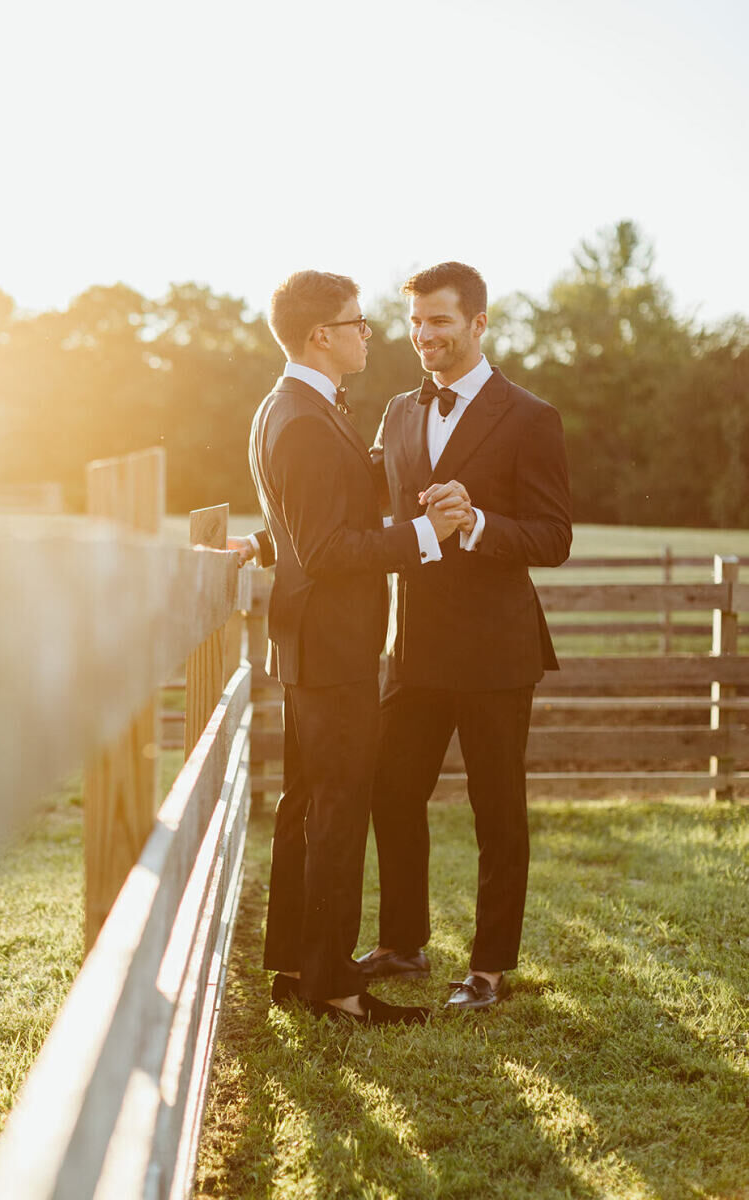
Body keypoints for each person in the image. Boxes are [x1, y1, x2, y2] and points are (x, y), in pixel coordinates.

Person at [242, 269, 466, 1026]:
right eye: (357, 323)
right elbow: (333, 546)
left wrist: (266, 544)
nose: (367, 333)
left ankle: (300, 968)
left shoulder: (299, 406)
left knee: (308, 804)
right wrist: (426, 537)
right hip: (331, 644)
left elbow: (312, 518)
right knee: (335, 810)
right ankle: (335, 987)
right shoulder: (301, 418)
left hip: (315, 639)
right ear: (320, 337)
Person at [355, 261, 572, 1011]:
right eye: (415, 323)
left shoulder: (531, 416)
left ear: (479, 324)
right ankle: (404, 944)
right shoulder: (396, 412)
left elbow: (552, 537)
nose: (424, 337)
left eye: (440, 322)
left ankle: (488, 969)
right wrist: (265, 540)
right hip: (411, 646)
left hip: (494, 651)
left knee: (496, 809)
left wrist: (478, 523)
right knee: (391, 788)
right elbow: (354, 508)